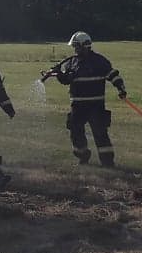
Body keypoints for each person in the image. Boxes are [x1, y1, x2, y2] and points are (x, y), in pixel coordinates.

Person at [45, 31, 127, 167]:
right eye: (74, 47)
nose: (75, 49)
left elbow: (113, 75)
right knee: (75, 133)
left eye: (77, 46)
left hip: (96, 106)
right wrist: (58, 73)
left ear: (85, 46)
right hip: (77, 107)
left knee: (100, 135)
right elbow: (66, 80)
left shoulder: (100, 61)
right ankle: (83, 156)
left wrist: (121, 88)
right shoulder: (71, 62)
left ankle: (107, 162)